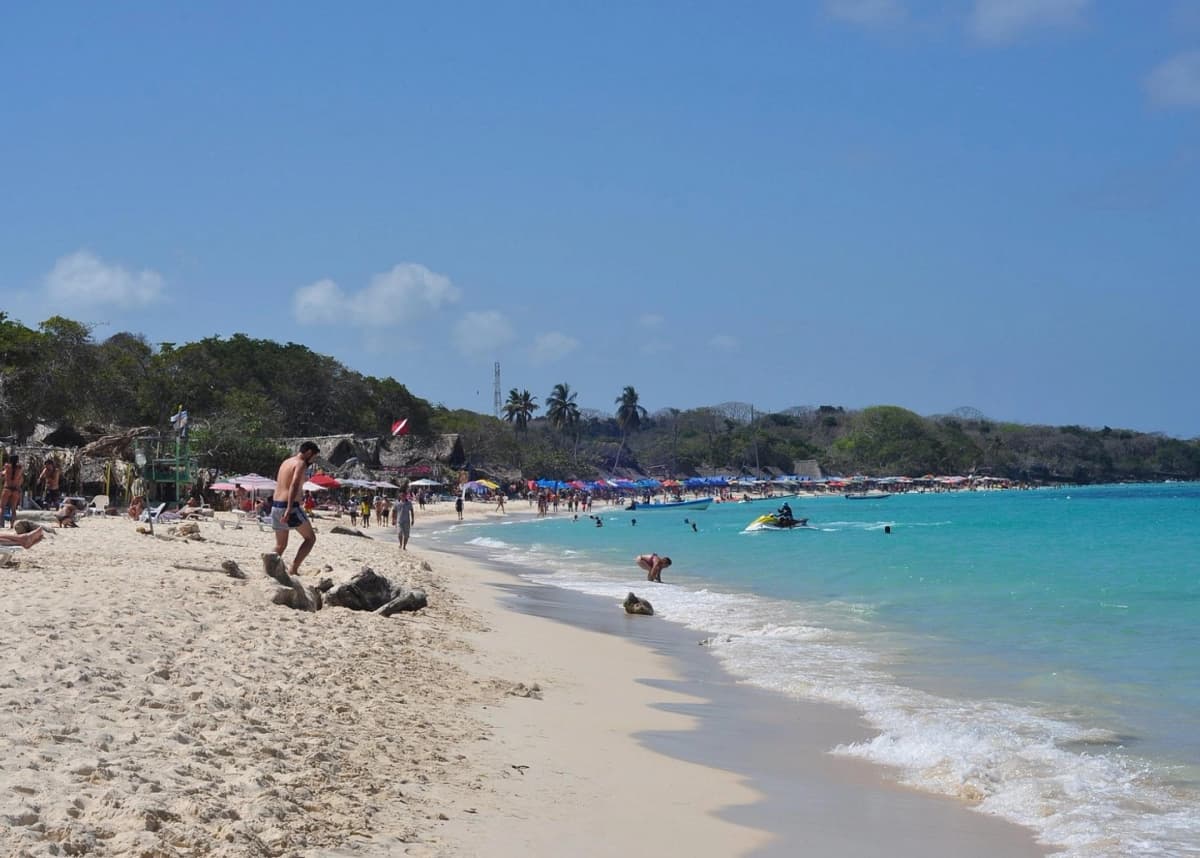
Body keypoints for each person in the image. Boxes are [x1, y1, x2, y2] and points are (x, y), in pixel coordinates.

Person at [271, 441, 320, 577]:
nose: (313, 461)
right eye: (314, 457)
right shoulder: (300, 464)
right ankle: (293, 569)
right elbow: (294, 485)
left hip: (276, 505)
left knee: (280, 545)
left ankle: (269, 568)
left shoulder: (286, 462)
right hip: (290, 507)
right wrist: (288, 509)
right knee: (310, 538)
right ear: (309, 452)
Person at [1, 455, 24, 528]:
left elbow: (3, 474)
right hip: (15, 490)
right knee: (13, 509)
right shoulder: (20, 468)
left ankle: (1, 524)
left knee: (2, 507)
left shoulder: (7, 466)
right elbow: (21, 479)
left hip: (7, 489)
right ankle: (12, 525)